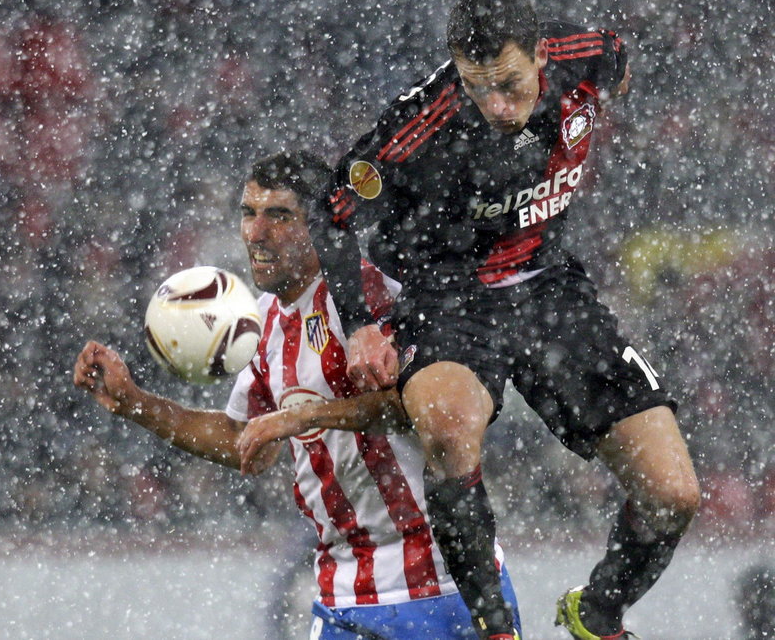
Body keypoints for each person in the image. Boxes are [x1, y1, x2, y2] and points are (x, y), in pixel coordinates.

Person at [306, 0, 700, 640]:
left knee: (673, 495)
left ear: (542, 56)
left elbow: (618, 58)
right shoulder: (420, 121)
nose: (494, 104)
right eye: (476, 86)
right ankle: (494, 627)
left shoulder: (590, 54)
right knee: (450, 432)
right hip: (447, 298)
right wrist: (362, 324)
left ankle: (596, 614)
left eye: (510, 85)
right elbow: (331, 211)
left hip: (551, 288)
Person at [73, 150, 523, 639]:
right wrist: (135, 403)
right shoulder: (262, 319)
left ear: (323, 228)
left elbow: (426, 409)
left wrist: (298, 417)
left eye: (279, 215)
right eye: (248, 212)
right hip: (342, 595)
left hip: (441, 584)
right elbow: (244, 442)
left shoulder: (377, 300)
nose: (255, 232)